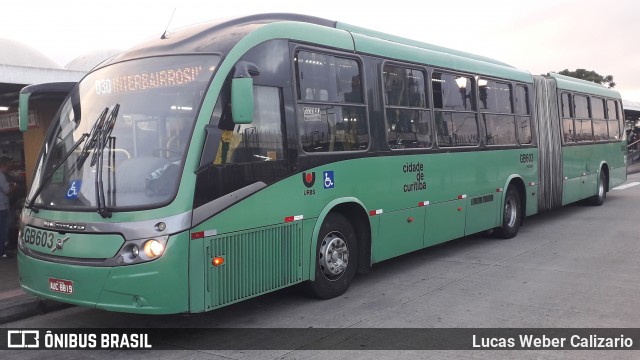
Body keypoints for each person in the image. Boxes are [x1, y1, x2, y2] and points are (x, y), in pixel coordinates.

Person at [0, 156, 12, 259]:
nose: (9, 167)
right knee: (2, 230)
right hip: (1, 207)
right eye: (8, 165)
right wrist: (14, 187)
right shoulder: (1, 176)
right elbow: (7, 191)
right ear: (4, 165)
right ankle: (2, 252)